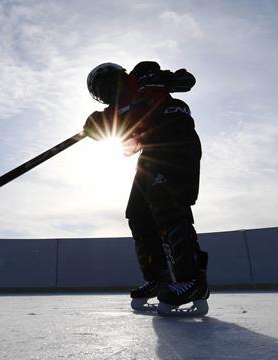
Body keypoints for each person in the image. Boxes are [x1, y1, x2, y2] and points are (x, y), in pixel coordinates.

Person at [83, 61, 209, 316]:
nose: (106, 92)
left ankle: (192, 279)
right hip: (151, 155)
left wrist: (162, 79)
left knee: (167, 203)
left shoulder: (142, 75)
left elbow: (187, 81)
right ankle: (158, 278)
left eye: (104, 84)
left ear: (116, 76)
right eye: (100, 91)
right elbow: (124, 142)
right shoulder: (116, 111)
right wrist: (95, 126)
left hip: (176, 140)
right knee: (138, 214)